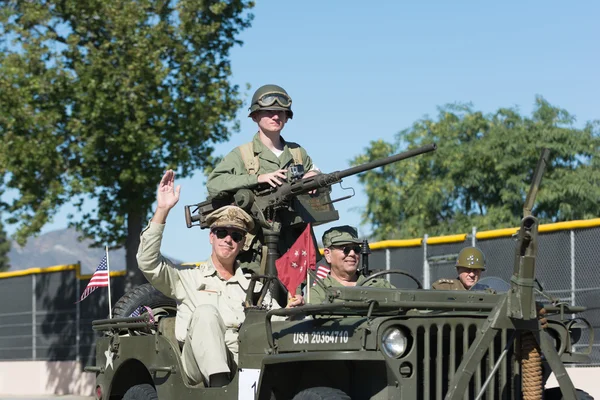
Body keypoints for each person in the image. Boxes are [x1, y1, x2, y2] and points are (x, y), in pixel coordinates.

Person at [137, 170, 303, 387]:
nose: (228, 240)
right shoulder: (188, 279)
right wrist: (162, 210)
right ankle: (219, 387)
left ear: (243, 243)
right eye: (222, 233)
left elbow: (274, 324)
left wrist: (291, 313)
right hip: (195, 364)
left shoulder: (254, 287)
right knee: (206, 313)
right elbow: (148, 263)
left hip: (243, 362)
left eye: (236, 236)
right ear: (211, 237)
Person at [206, 84, 320, 275]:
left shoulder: (297, 153)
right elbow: (214, 184)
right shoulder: (243, 155)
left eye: (281, 112)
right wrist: (257, 178)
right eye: (269, 112)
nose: (276, 117)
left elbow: (319, 181)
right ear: (256, 116)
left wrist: (314, 177)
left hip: (298, 246)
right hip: (258, 250)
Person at [309, 225, 394, 304]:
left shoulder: (379, 286)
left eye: (356, 249)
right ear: (328, 254)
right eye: (346, 249)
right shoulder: (318, 293)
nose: (352, 253)